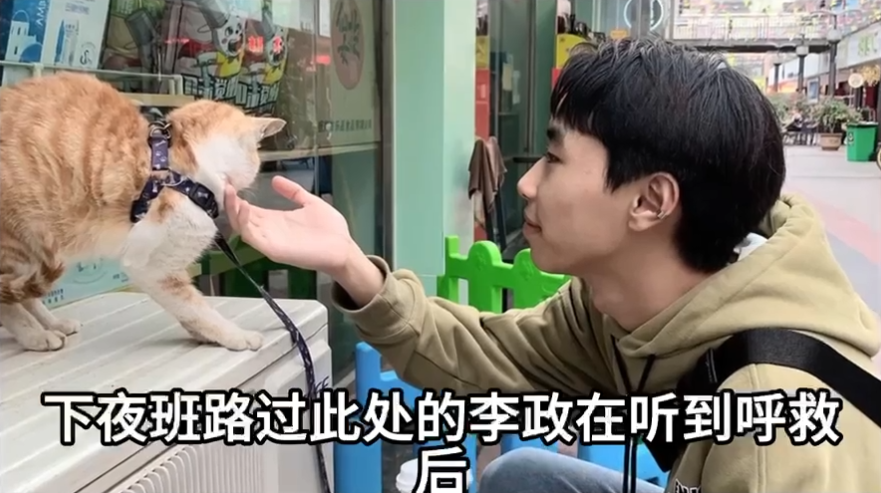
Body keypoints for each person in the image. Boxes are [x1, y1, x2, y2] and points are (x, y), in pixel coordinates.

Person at [224, 39, 881, 493]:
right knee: (522, 476)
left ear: (650, 201)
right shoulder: (614, 303)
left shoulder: (774, 421)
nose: (527, 183)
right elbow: (483, 355)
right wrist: (349, 263)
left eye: (556, 158)